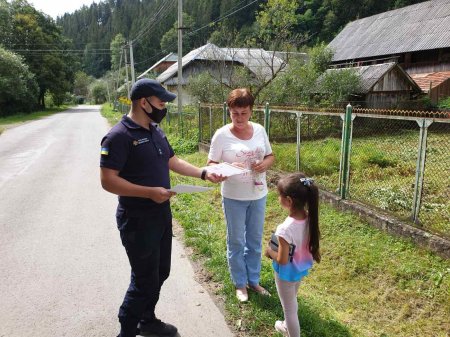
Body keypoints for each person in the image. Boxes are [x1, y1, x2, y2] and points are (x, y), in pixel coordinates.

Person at [100, 78, 224, 337]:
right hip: (136, 218)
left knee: (161, 272)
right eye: (160, 102)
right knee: (144, 279)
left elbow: (172, 160)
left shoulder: (155, 130)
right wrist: (149, 193)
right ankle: (126, 330)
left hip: (160, 214)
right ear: (143, 102)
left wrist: (203, 173)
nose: (164, 107)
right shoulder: (119, 136)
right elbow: (108, 181)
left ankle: (147, 320)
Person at [207, 88, 275, 302]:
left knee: (254, 241)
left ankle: (253, 281)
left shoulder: (260, 130)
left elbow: (270, 156)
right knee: (236, 241)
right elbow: (210, 165)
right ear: (229, 111)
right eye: (235, 113)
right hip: (233, 197)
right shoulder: (221, 135)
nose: (239, 118)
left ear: (251, 111)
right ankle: (239, 284)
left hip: (258, 194)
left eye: (244, 113)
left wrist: (264, 164)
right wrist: (225, 167)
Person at [265, 173, 321, 337]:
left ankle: (291, 331)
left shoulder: (285, 229)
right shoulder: (309, 217)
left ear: (288, 201)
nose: (277, 199)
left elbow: (282, 259)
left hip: (286, 274)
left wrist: (270, 252)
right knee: (291, 301)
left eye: (279, 196)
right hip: (300, 269)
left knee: (290, 310)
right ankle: (285, 325)